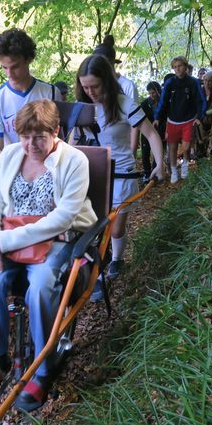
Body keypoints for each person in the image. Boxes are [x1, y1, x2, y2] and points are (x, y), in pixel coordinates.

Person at [0, 99, 97, 411]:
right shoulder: (11, 155)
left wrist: (5, 239)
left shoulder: (75, 161)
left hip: (57, 239)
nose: (30, 145)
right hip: (9, 239)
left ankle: (43, 366)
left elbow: (62, 218)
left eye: (39, 137)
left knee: (40, 285)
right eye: (25, 136)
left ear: (56, 131)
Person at [75, 54, 163, 287]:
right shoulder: (81, 108)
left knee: (115, 228)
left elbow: (151, 134)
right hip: (92, 174)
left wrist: (160, 164)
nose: (90, 92)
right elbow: (71, 143)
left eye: (95, 86)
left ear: (106, 80)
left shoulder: (124, 104)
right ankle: (94, 273)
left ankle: (116, 259)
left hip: (122, 172)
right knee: (91, 228)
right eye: (85, 87)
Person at [0, 29, 61, 162]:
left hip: (47, 166)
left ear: (28, 60)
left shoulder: (51, 93)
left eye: (15, 67)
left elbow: (60, 141)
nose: (9, 73)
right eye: (4, 67)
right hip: (13, 166)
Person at [154, 55, 206, 184]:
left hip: (189, 119)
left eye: (180, 66)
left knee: (186, 146)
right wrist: (157, 117)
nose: (177, 69)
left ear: (186, 67)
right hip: (173, 120)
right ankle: (173, 171)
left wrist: (199, 116)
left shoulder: (193, 82)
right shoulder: (170, 83)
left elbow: (201, 100)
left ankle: (184, 165)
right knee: (172, 147)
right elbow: (163, 102)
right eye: (175, 67)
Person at [93, 34, 138, 103]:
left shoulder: (127, 86)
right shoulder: (93, 86)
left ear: (111, 63)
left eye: (101, 63)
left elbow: (133, 111)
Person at [139, 81, 165, 183]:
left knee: (157, 152)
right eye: (149, 93)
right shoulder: (145, 103)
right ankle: (147, 173)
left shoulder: (163, 102)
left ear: (158, 91)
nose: (151, 95)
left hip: (160, 130)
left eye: (153, 93)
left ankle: (155, 173)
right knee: (145, 152)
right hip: (147, 130)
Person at [195, 70, 212, 157]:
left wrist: (205, 113)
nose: (207, 82)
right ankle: (200, 155)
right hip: (200, 119)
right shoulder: (199, 90)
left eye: (210, 80)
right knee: (200, 140)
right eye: (205, 80)